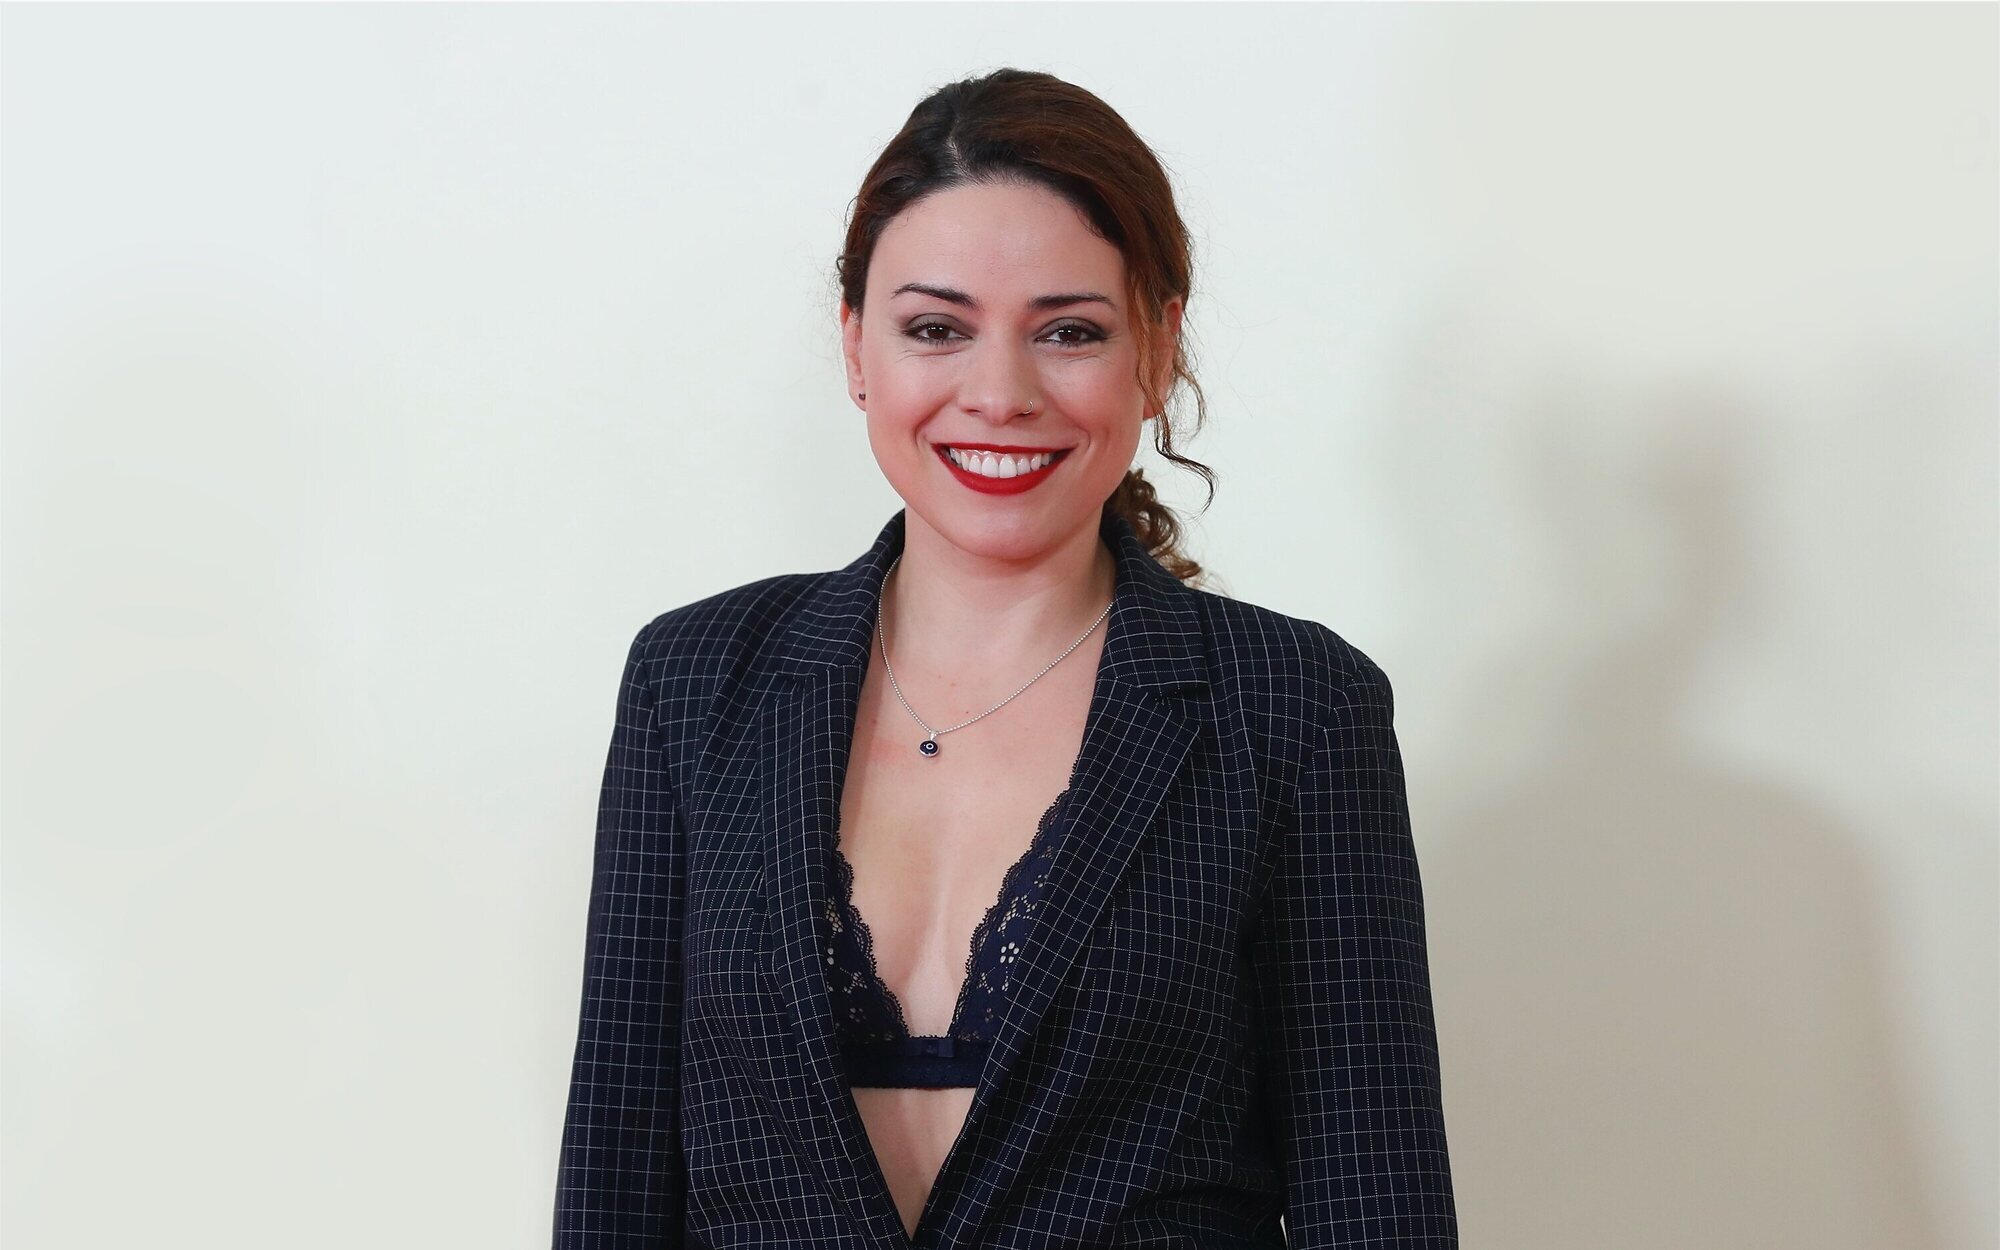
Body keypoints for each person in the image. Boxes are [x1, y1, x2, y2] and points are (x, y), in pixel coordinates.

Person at [554, 68, 1458, 1249]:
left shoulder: (1293, 706)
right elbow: (615, 1173)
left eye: (1067, 332)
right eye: (936, 328)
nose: (997, 392)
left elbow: (1374, 1198)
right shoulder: (694, 681)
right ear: (855, 346)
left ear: (1154, 349)